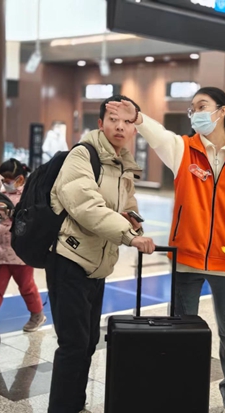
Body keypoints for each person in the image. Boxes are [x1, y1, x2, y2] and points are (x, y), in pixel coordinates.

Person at [106, 87, 225, 413]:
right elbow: (159, 137)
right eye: (192, 108)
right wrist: (138, 118)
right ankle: (179, 393)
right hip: (187, 257)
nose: (195, 113)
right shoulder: (184, 149)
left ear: (222, 111)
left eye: (202, 106)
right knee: (180, 330)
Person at [46, 95, 156, 413]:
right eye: (113, 120)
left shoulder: (122, 164)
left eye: (127, 121)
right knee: (74, 344)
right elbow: (86, 206)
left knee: (88, 342)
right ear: (100, 123)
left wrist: (133, 218)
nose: (119, 126)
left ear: (134, 128)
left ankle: (75, 405)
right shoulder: (83, 155)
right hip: (69, 259)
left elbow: (127, 203)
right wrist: (129, 236)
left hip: (98, 264)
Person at [0, 158, 46, 332]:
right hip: (0, 253)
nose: (6, 184)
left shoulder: (29, 196)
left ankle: (37, 314)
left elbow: (30, 219)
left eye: (8, 180)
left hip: (21, 254)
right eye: (4, 180)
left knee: (27, 287)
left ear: (20, 179)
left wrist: (10, 211)